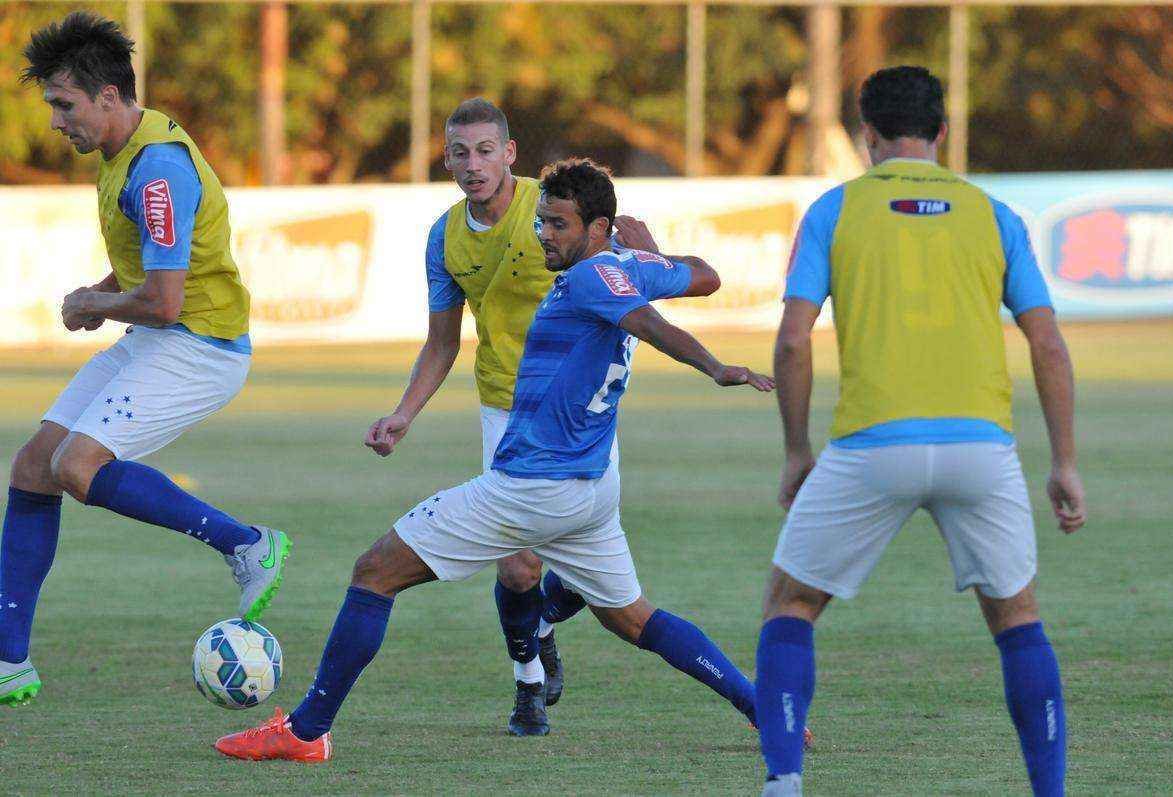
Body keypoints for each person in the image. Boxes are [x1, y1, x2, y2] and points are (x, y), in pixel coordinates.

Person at [214, 157, 773, 762]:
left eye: (558, 225)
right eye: (541, 223)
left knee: (374, 571)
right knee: (634, 620)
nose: (544, 237)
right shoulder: (627, 267)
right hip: (589, 492)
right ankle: (765, 710)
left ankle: (304, 731)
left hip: (530, 488)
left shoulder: (590, 278)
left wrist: (716, 366)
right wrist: (654, 254)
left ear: (597, 228)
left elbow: (646, 323)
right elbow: (705, 276)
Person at [754, 66, 1086, 797]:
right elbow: (1049, 345)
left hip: (873, 446)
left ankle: (784, 783)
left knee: (791, 606)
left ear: (866, 134)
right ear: (942, 132)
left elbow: (791, 343)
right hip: (981, 449)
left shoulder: (834, 211)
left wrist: (797, 450)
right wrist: (1063, 460)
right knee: (1018, 620)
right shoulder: (994, 215)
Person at [367, 97, 702, 735]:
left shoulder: (551, 215)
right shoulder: (445, 236)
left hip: (581, 412)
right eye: (460, 153)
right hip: (506, 408)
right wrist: (404, 413)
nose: (473, 164)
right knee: (519, 565)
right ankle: (528, 682)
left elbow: (624, 270)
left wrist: (659, 261)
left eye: (486, 150)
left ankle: (544, 619)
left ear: (510, 154)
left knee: (581, 574)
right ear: (447, 160)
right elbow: (443, 341)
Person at [1, 12, 289, 707]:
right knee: (34, 468)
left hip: (202, 345)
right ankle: (9, 662)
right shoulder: (125, 152)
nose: (55, 123)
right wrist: (97, 294)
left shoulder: (158, 169)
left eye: (63, 105)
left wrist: (93, 304)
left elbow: (164, 301)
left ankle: (247, 542)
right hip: (163, 336)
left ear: (108, 97)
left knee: (76, 467)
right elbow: (144, 269)